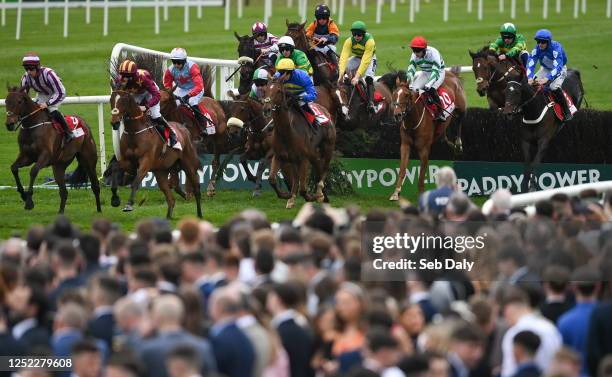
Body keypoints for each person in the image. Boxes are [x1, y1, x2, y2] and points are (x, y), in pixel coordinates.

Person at [116, 59, 180, 149]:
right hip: (135, 94)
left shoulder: (143, 78)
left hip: (149, 93)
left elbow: (157, 95)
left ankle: (172, 136)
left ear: (133, 75)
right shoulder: (119, 79)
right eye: (122, 75)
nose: (123, 78)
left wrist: (146, 106)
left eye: (127, 76)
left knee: (155, 115)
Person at [20, 53, 73, 143]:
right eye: (26, 69)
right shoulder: (26, 77)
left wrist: (47, 103)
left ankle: (68, 132)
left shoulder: (48, 74)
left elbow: (61, 92)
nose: (28, 71)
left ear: (37, 67)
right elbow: (23, 96)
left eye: (31, 69)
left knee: (51, 109)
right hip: (41, 94)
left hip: (56, 93)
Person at [163, 47, 214, 135]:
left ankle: (203, 126)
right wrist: (170, 93)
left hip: (195, 88)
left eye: (178, 62)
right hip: (181, 89)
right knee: (171, 104)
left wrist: (188, 96)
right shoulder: (170, 70)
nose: (176, 65)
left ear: (184, 61)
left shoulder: (192, 67)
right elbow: (167, 83)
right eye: (174, 62)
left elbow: (199, 86)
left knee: (192, 102)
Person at [526, 29, 573, 120]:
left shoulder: (556, 48)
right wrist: (530, 77)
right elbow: (530, 63)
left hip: (560, 69)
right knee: (531, 85)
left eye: (543, 42)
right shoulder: (537, 49)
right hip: (545, 69)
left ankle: (566, 111)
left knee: (553, 87)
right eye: (538, 41)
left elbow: (558, 67)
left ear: (548, 42)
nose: (540, 44)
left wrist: (547, 78)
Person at [274, 58, 328, 128]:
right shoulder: (277, 76)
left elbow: (313, 95)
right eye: (280, 72)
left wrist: (300, 98)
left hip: (300, 95)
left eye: (283, 73)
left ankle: (314, 123)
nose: (281, 76)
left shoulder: (303, 77)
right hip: (286, 95)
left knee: (302, 104)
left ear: (290, 72)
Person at [337, 21, 377, 113]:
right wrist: (341, 74)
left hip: (370, 58)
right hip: (358, 57)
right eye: (354, 34)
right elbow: (343, 57)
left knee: (369, 78)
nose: (356, 37)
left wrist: (357, 76)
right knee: (346, 68)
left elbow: (365, 61)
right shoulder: (349, 41)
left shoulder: (369, 41)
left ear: (363, 34)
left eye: (359, 35)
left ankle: (371, 103)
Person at [406, 36, 446, 121]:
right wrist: (409, 83)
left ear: (424, 50)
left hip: (438, 72)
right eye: (414, 50)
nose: (415, 53)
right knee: (414, 90)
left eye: (418, 51)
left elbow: (435, 71)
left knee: (431, 89)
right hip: (425, 72)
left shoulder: (433, 53)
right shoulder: (414, 55)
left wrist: (429, 84)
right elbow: (411, 69)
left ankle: (441, 113)